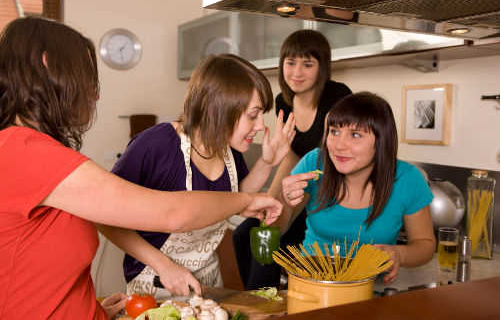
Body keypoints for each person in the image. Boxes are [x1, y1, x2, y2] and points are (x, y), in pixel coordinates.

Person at [0, 17, 282, 320]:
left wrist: (91, 308)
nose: (94, 94)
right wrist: (248, 201)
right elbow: (171, 213)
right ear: (48, 65)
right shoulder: (26, 151)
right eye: (86, 77)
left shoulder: (35, 150)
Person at [98, 53, 295, 300]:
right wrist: (164, 265)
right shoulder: (157, 144)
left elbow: (234, 198)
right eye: (253, 115)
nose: (259, 126)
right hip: (157, 281)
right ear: (220, 108)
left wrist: (267, 163)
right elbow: (105, 216)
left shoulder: (228, 148)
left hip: (209, 280)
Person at [233, 29, 352, 289]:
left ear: (322, 68)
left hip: (329, 195)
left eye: (307, 64)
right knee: (245, 234)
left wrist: (283, 208)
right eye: (290, 62)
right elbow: (293, 154)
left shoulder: (338, 97)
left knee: (271, 237)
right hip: (299, 187)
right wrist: (270, 201)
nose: (297, 72)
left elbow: (328, 161)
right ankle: (257, 302)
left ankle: (264, 309)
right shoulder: (283, 102)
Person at [281, 92, 436, 284]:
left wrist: (399, 254)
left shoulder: (408, 178)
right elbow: (276, 229)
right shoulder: (314, 163)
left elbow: (425, 245)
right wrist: (284, 203)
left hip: (372, 288)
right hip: (312, 282)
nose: (338, 146)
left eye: (355, 135)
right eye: (334, 131)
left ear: (381, 142)